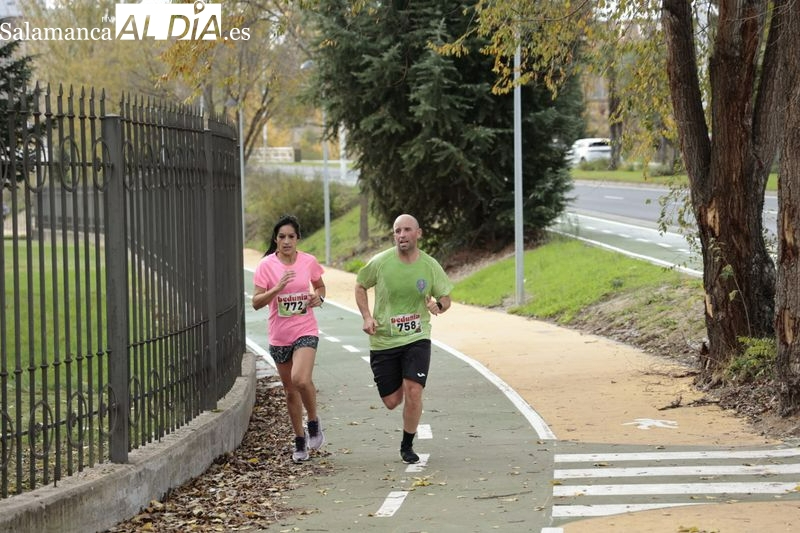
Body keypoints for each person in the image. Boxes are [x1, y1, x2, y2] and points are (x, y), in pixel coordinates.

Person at [355, 213, 453, 464]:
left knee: (414, 391)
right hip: (384, 340)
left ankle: (407, 445)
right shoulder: (380, 262)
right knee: (391, 401)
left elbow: (445, 297)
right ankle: (402, 375)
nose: (401, 235)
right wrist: (367, 316)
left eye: (407, 230)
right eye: (397, 231)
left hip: (417, 336)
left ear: (418, 233)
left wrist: (438, 306)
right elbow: (360, 285)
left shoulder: (430, 265)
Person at [253, 215, 327, 463]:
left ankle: (314, 421)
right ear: (275, 239)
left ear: (298, 239)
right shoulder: (266, 266)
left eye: (291, 237)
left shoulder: (308, 261)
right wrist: (276, 289)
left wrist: (319, 297)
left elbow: (320, 285)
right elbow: (255, 302)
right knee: (289, 391)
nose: (286, 241)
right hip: (279, 335)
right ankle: (299, 439)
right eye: (282, 237)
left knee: (301, 379)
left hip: (305, 329)